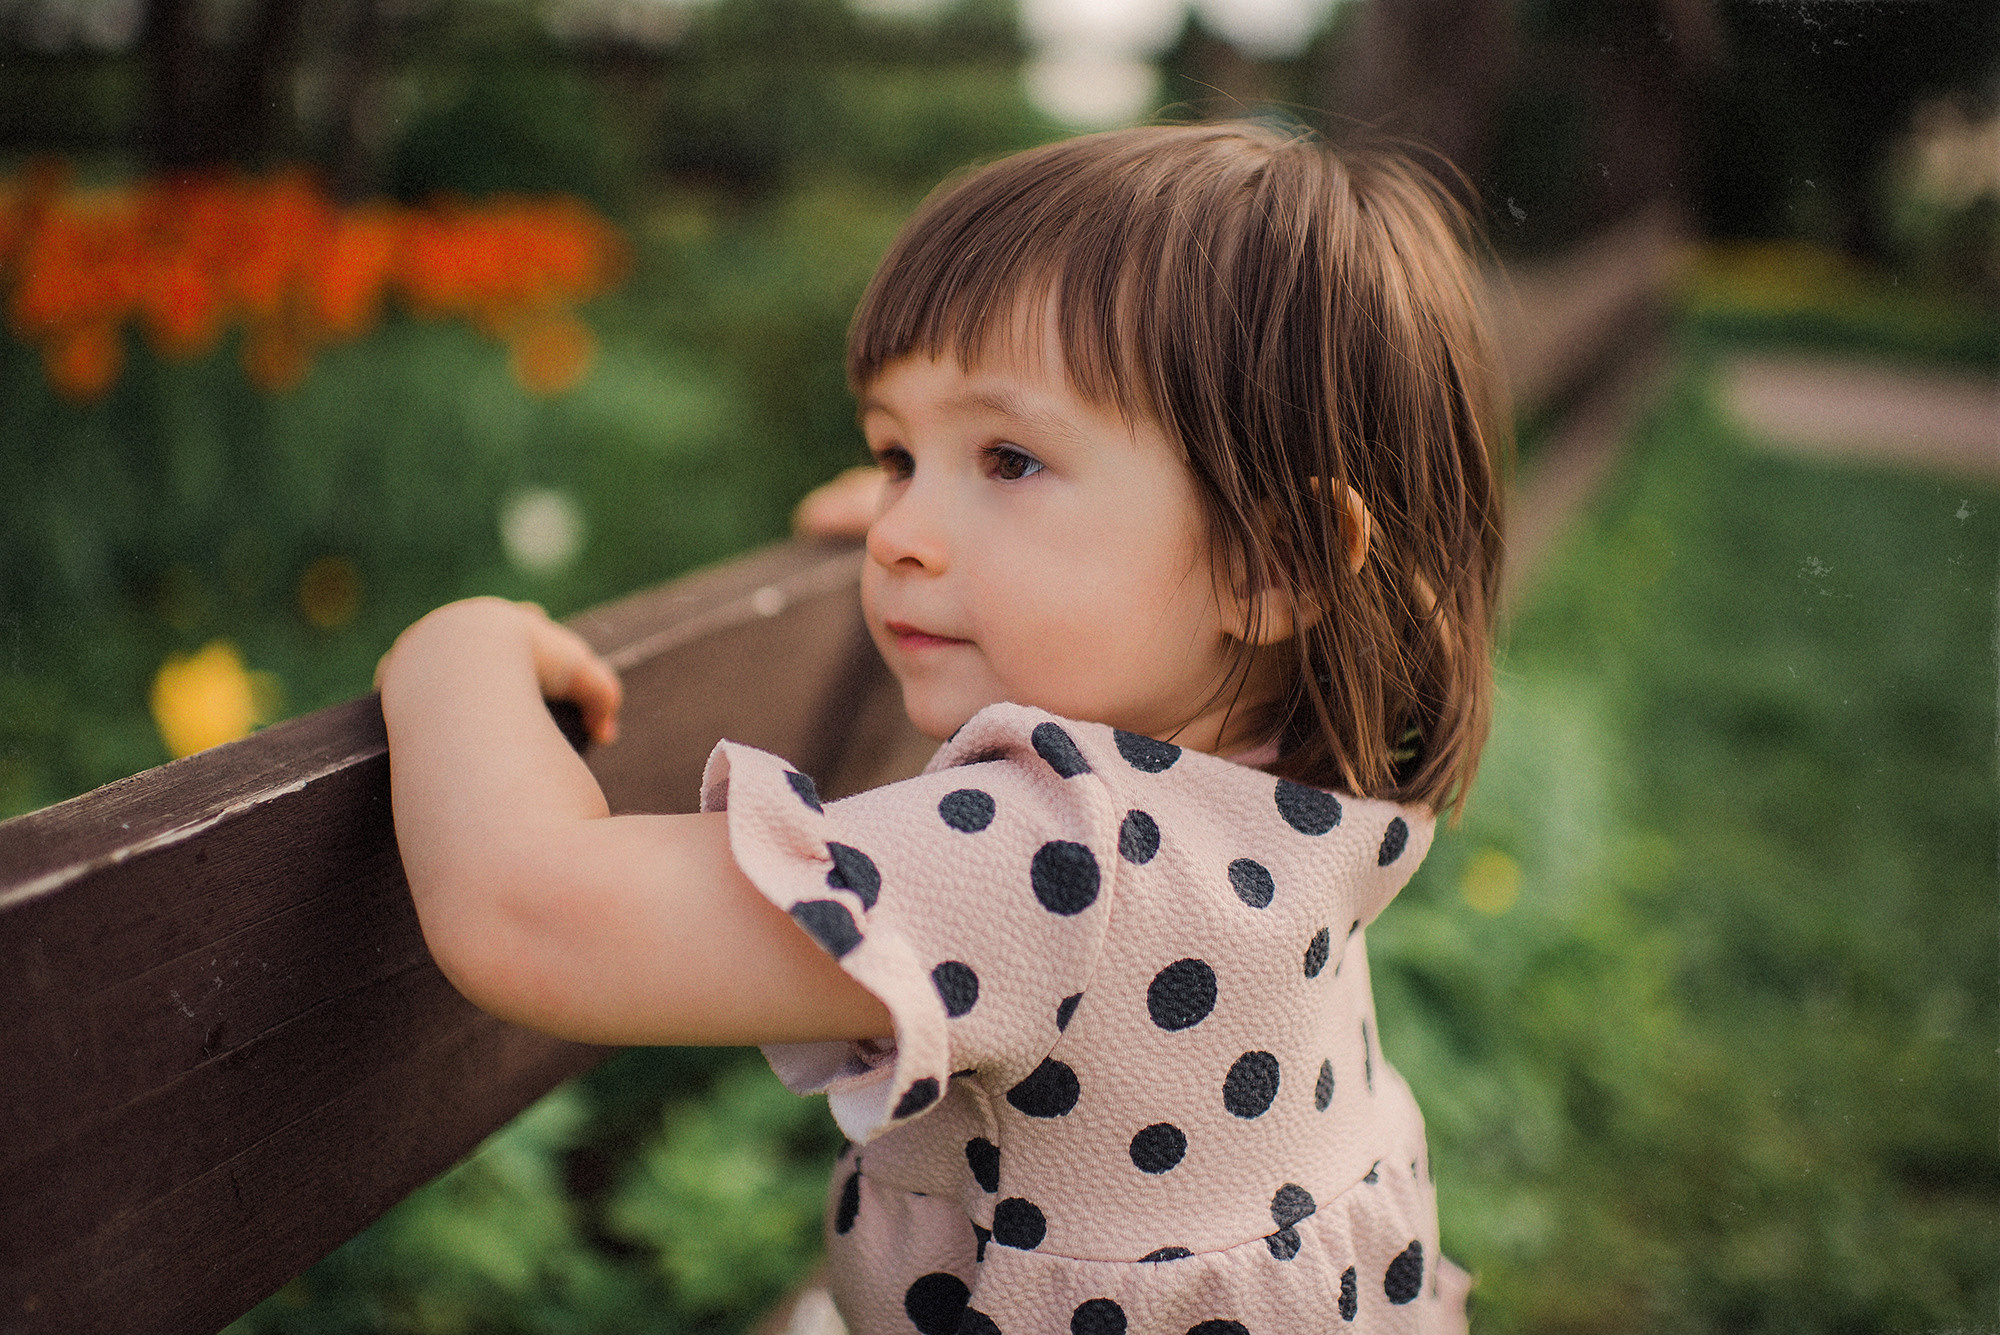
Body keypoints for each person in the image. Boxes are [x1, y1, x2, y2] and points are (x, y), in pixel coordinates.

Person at [377, 121, 1504, 1335]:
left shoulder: (1045, 858)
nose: (897, 531)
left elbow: (529, 917)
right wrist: (974, 505)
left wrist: (456, 654)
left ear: (1270, 563)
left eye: (1008, 457)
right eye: (895, 453)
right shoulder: (1310, 766)